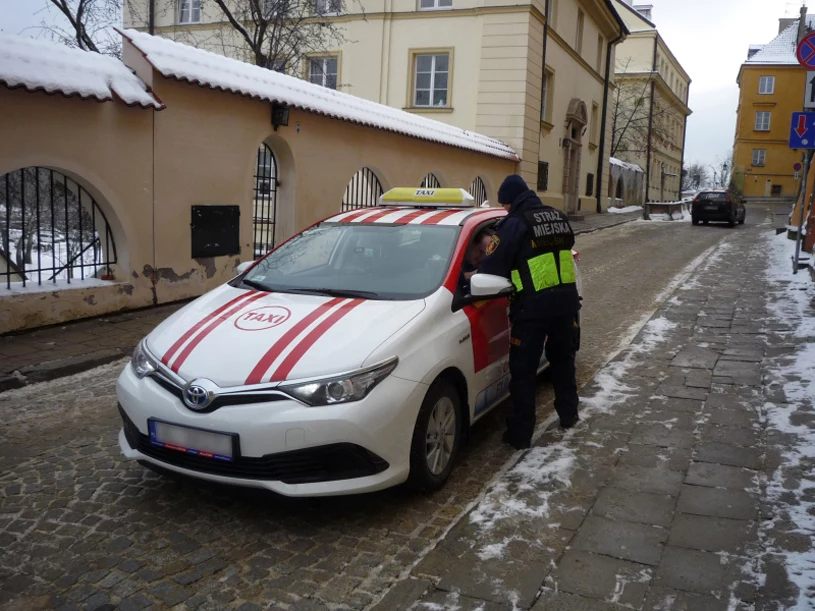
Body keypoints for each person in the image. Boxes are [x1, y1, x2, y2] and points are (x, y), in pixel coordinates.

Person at [478, 174, 580, 449]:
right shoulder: (557, 216)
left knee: (523, 373)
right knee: (562, 362)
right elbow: (567, 246)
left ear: (510, 201)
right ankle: (569, 414)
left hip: (532, 310)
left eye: (506, 204)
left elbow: (490, 268)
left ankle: (520, 435)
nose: (506, 209)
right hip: (566, 304)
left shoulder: (513, 224)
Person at [459, 229, 494, 293]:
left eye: (488, 256)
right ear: (471, 244)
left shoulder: (486, 269)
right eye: (481, 252)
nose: (482, 258)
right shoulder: (450, 260)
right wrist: (467, 276)